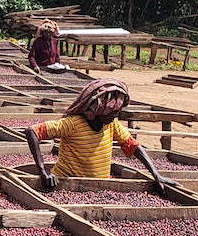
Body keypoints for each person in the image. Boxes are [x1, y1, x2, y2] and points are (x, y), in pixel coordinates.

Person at [24, 77, 171, 193]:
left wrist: (155, 174)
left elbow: (132, 146)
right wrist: (43, 172)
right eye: (113, 113)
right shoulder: (72, 124)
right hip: (65, 184)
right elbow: (32, 132)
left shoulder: (111, 124)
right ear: (99, 110)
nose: (115, 116)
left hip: (99, 188)